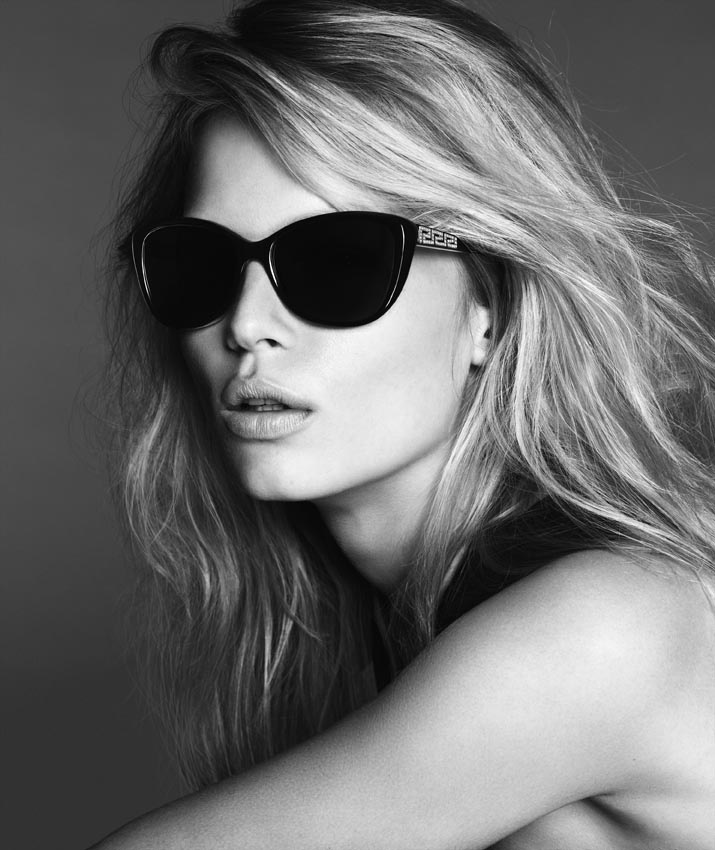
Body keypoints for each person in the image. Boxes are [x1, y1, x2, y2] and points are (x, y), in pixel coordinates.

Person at [92, 0, 715, 847]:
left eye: (335, 262)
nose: (245, 325)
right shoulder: (393, 632)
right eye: (200, 265)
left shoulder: (605, 623)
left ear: (490, 306)